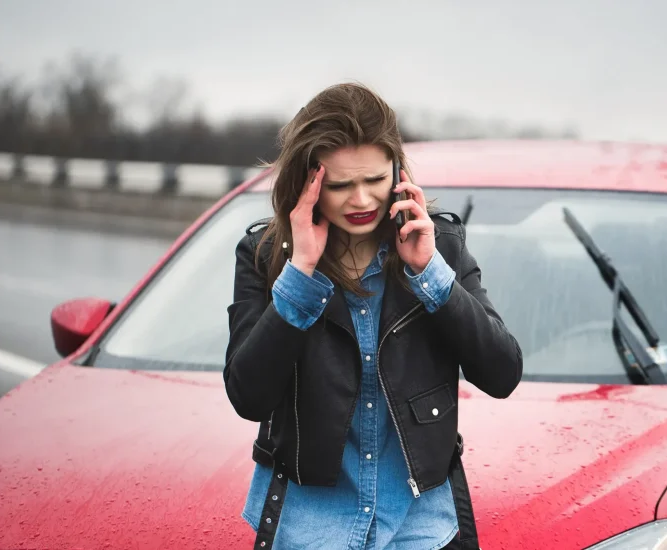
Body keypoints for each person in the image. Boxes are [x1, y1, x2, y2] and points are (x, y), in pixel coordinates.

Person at [223, 82, 523, 550]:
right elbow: (248, 397)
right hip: (308, 530)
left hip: (420, 530)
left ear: (399, 172)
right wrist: (300, 272)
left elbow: (502, 373)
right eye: (340, 185)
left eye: (375, 180)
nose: (361, 200)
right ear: (307, 183)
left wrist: (430, 275)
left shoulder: (440, 248)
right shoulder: (265, 257)